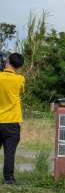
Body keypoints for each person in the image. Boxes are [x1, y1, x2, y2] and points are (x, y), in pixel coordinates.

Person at [0, 53, 25, 184]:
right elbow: (20, 91)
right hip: (12, 123)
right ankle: (9, 179)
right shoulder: (20, 79)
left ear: (7, 62)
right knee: (9, 153)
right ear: (19, 66)